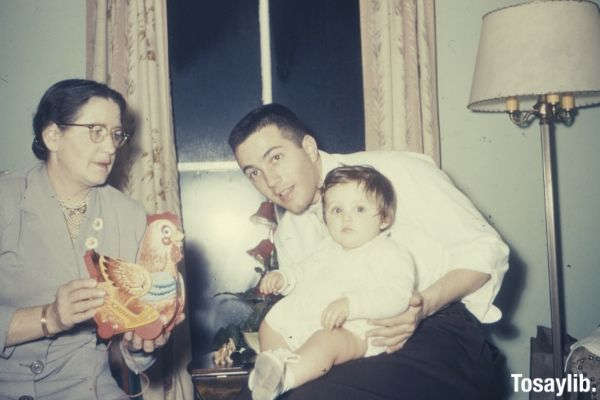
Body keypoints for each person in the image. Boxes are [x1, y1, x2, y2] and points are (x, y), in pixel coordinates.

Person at [229, 103, 509, 400]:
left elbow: (486, 250)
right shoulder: (290, 232)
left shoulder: (395, 172)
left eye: (276, 158)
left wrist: (423, 306)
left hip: (438, 330)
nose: (270, 181)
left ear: (309, 148)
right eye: (254, 173)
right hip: (348, 340)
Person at [0, 79, 180, 400]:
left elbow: (130, 356)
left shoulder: (129, 215)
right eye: (96, 130)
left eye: (115, 134)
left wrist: (143, 342)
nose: (111, 147)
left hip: (95, 388)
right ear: (53, 135)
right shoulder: (7, 200)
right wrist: (49, 318)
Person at [250, 165, 415, 400]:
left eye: (359, 209)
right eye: (337, 210)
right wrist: (284, 278)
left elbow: (398, 295)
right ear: (326, 218)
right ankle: (273, 367)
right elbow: (303, 270)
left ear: (385, 218)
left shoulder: (389, 253)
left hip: (355, 330)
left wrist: (351, 304)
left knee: (327, 342)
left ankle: (285, 379)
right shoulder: (327, 248)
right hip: (311, 319)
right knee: (271, 324)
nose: (346, 217)